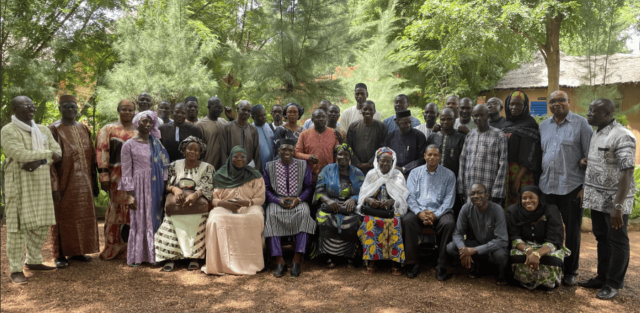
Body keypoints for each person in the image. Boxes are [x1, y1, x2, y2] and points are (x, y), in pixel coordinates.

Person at [579, 99, 636, 300]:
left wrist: (618, 206)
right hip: (596, 198)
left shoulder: (622, 136)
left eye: (594, 111)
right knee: (602, 238)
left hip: (614, 201)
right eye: (589, 109)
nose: (588, 113)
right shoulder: (597, 132)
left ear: (608, 114)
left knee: (617, 241)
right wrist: (589, 163)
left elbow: (627, 172)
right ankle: (602, 277)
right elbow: (608, 160)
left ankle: (613, 283)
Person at [2, 96, 62, 284]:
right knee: (17, 227)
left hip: (41, 181)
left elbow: (58, 152)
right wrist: (46, 155)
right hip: (19, 183)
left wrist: (40, 160)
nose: (31, 107)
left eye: (32, 104)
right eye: (26, 105)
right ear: (15, 109)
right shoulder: (8, 130)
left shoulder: (43, 130)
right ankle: (15, 269)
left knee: (41, 223)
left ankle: (34, 261)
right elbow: (18, 154)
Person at [538, 90, 592, 287]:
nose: (557, 104)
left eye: (561, 100)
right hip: (547, 186)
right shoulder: (543, 126)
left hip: (572, 187)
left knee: (573, 231)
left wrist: (585, 187)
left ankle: (571, 270)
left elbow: (590, 157)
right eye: (553, 101)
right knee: (548, 229)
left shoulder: (581, 124)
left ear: (569, 102)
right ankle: (552, 265)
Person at [48, 95, 100, 269]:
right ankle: (59, 254)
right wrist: (54, 186)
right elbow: (50, 162)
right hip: (64, 182)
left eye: (73, 106)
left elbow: (92, 157)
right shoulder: (54, 129)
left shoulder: (83, 128)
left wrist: (94, 182)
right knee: (63, 218)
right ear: (60, 108)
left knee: (82, 216)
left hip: (84, 182)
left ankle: (78, 251)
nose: (70, 109)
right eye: (66, 106)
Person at [202, 146, 266, 275]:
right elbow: (213, 199)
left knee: (256, 217)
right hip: (224, 207)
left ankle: (250, 263)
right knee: (215, 219)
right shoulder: (220, 175)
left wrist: (247, 202)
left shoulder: (254, 175)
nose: (239, 159)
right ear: (230, 158)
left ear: (246, 158)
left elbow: (261, 197)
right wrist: (224, 204)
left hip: (248, 207)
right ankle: (220, 264)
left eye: (243, 156)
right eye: (236, 156)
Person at [155, 136, 214, 272]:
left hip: (197, 204)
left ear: (200, 153)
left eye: (196, 150)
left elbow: (208, 186)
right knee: (170, 222)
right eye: (189, 149)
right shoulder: (174, 165)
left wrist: (195, 195)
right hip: (178, 202)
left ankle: (194, 257)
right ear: (183, 150)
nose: (192, 152)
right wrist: (175, 189)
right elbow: (167, 184)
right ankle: (170, 258)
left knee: (198, 220)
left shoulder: (208, 168)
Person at [119, 111, 170, 266]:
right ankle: (138, 256)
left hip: (156, 186)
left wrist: (164, 185)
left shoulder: (157, 144)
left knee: (155, 218)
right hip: (138, 187)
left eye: (150, 122)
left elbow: (165, 166)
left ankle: (154, 255)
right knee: (139, 220)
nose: (148, 125)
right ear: (137, 122)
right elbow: (126, 170)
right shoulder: (128, 145)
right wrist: (130, 195)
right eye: (144, 122)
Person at [264, 139, 316, 278]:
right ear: (278, 151)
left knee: (305, 213)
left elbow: (309, 187)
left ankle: (296, 259)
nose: (287, 152)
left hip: (298, 200)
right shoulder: (269, 166)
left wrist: (298, 199)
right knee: (271, 214)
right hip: (277, 201)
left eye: (290, 150)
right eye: (284, 150)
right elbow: (266, 188)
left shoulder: (303, 165)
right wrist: (277, 200)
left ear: (293, 151)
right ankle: (279, 260)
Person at [403, 145, 456, 280]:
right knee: (407, 221)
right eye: (430, 155)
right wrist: (419, 212)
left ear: (440, 157)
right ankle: (412, 262)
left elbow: (449, 200)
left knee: (449, 223)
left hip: (440, 212)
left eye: (435, 155)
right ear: (425, 156)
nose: (432, 157)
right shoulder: (415, 173)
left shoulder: (449, 174)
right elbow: (410, 196)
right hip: (419, 210)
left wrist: (435, 215)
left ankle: (441, 264)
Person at [96, 100, 138, 260]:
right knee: (116, 211)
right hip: (116, 178)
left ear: (135, 112)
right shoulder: (108, 129)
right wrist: (103, 176)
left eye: (130, 110)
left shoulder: (139, 131)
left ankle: (131, 249)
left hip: (136, 179)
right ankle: (113, 247)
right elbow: (102, 152)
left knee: (133, 210)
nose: (127, 112)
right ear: (118, 110)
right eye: (124, 109)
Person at [356, 147, 409, 275]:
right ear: (377, 161)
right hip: (374, 210)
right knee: (369, 222)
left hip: (392, 210)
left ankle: (394, 262)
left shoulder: (398, 175)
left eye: (388, 162)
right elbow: (363, 194)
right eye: (382, 161)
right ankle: (372, 262)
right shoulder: (371, 174)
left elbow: (403, 196)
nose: (385, 164)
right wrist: (370, 201)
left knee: (395, 223)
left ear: (392, 162)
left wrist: (392, 201)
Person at [507, 185, 569, 290]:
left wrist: (537, 254)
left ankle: (547, 283)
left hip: (546, 246)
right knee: (515, 255)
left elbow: (555, 239)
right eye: (524, 198)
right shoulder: (513, 211)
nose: (528, 201)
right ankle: (522, 280)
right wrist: (528, 250)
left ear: (539, 198)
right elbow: (514, 236)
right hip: (524, 246)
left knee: (553, 258)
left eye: (532, 197)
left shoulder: (551, 210)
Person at [314, 144, 365, 268]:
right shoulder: (327, 169)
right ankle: (330, 256)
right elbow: (319, 190)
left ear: (350, 157)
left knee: (354, 220)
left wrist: (353, 199)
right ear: (335, 156)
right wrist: (329, 201)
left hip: (350, 207)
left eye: (345, 154)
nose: (342, 157)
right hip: (330, 204)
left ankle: (350, 256)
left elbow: (364, 191)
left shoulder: (357, 172)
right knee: (324, 218)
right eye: (339, 154)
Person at [446, 183, 509, 285]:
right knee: (451, 247)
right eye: (472, 194)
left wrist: (473, 250)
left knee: (501, 256)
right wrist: (463, 250)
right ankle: (478, 264)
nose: (476, 196)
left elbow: (502, 240)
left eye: (479, 193)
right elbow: (457, 234)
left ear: (487, 195)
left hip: (494, 247)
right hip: (476, 243)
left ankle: (500, 274)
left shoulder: (497, 209)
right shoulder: (466, 208)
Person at [458, 104, 508, 206]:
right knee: (471, 217)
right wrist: (461, 188)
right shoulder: (470, 135)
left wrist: (497, 192)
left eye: (482, 115)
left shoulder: (499, 135)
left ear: (488, 116)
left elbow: (503, 165)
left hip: (489, 188)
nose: (479, 118)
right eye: (475, 115)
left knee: (488, 219)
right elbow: (462, 161)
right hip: (470, 188)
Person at [502, 91, 542, 207]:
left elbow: (531, 155)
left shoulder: (530, 125)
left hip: (523, 174)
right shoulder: (505, 124)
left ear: (525, 106)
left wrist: (518, 179)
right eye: (512, 104)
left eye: (519, 104)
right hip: (506, 172)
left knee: (523, 202)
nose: (514, 107)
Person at [295, 109, 340, 183]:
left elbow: (337, 154)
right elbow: (297, 153)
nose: (321, 119)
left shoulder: (333, 133)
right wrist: (309, 157)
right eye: (318, 117)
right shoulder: (304, 134)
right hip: (309, 176)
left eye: (323, 117)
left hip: (329, 176)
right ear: (312, 119)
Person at [219, 100, 262, 172]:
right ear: (238, 109)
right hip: (231, 171)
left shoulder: (253, 129)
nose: (246, 113)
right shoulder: (227, 127)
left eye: (249, 111)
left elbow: (257, 152)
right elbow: (223, 152)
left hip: (248, 171)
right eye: (244, 110)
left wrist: (257, 171)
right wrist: (226, 171)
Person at [347, 100, 387, 175]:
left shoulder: (381, 127)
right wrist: (357, 163)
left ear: (374, 111)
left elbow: (383, 147)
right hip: (356, 167)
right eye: (365, 109)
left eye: (370, 109)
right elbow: (349, 146)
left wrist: (370, 163)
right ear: (361, 111)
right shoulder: (353, 126)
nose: (367, 112)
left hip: (375, 167)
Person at [383, 110, 427, 177]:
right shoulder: (390, 136)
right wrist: (393, 167)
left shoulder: (419, 136)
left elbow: (422, 159)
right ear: (397, 123)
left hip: (413, 173)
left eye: (409, 122)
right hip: (393, 173)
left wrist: (404, 168)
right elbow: (385, 154)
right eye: (404, 123)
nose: (408, 125)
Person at [197, 97, 229, 170]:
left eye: (221, 107)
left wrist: (230, 118)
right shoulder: (201, 125)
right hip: (207, 166)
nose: (219, 110)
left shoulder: (223, 122)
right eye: (216, 107)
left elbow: (234, 131)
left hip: (223, 167)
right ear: (209, 107)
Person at [252, 104, 276, 168]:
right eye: (260, 116)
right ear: (253, 117)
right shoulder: (250, 130)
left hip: (272, 165)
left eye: (264, 115)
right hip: (259, 167)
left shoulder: (269, 126)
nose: (263, 117)